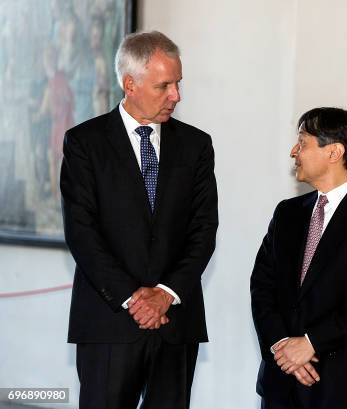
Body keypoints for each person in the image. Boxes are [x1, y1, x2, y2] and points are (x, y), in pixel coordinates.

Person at [60, 31, 218, 409]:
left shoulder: (197, 145)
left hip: (176, 323)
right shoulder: (84, 143)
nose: (176, 95)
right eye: (165, 85)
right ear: (130, 84)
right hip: (109, 321)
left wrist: (165, 295)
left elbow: (203, 230)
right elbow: (82, 233)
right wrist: (135, 299)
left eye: (178, 83)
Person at [251, 107, 347, 409]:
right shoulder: (286, 213)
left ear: (334, 152)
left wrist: (310, 344)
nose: (294, 151)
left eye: (303, 142)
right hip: (280, 384)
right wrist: (282, 347)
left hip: (341, 387)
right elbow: (261, 286)